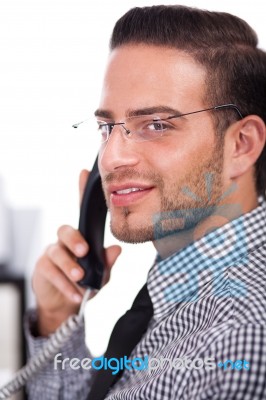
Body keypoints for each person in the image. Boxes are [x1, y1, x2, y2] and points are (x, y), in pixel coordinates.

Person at [25, 5, 266, 399]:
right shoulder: (180, 291)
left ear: (241, 145)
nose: (112, 157)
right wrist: (56, 319)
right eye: (107, 127)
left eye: (156, 124)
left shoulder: (240, 346)